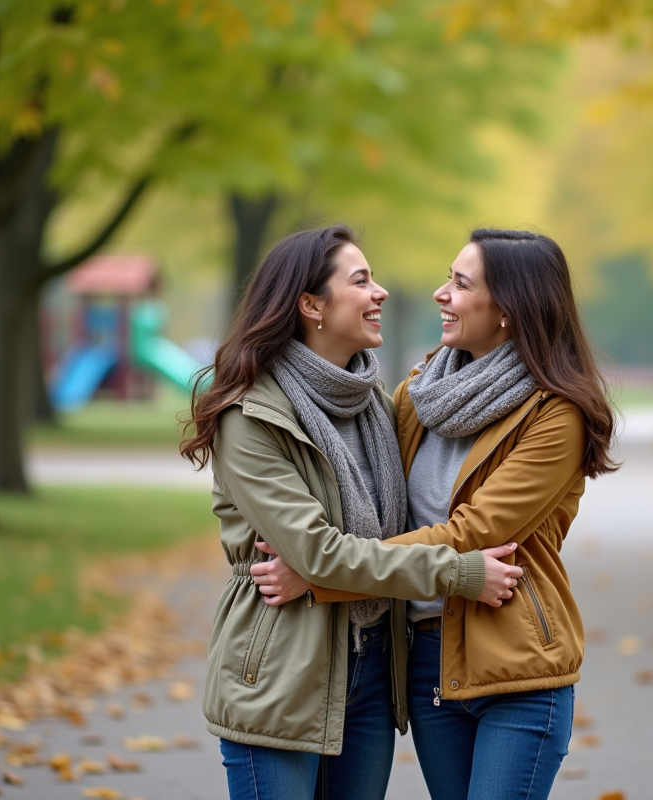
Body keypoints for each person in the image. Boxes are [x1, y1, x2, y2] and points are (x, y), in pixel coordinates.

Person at [252, 228, 618, 800]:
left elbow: (472, 535)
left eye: (460, 283)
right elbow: (379, 516)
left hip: (518, 668)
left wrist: (318, 577)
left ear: (509, 310)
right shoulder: (417, 397)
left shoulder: (556, 415)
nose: (439, 293)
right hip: (429, 663)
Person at [180, 225, 523, 800]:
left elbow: (389, 531)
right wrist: (459, 571)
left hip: (368, 675)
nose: (380, 292)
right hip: (283, 673)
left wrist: (316, 578)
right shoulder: (253, 417)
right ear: (312, 305)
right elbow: (316, 551)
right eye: (361, 280)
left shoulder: (372, 404)